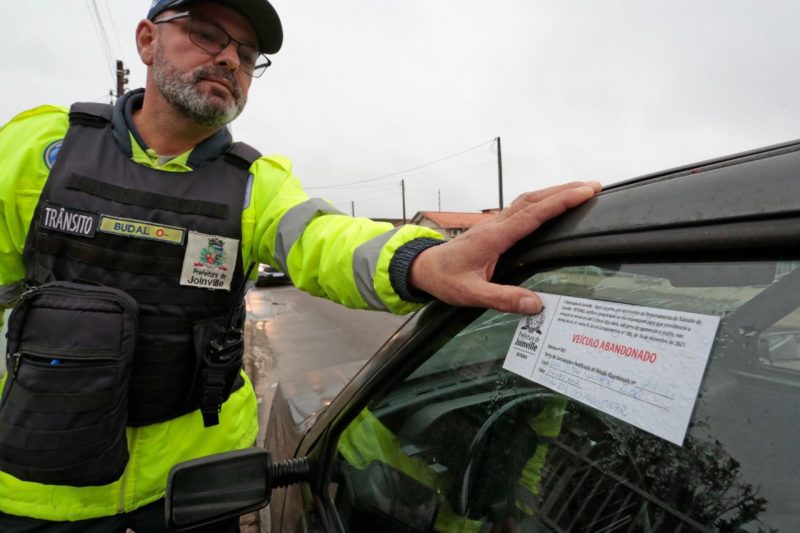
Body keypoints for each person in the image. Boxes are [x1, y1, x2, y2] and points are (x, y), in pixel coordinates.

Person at [0, 0, 600, 530]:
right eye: (206, 34)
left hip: (192, 486)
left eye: (247, 54)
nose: (229, 59)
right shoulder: (38, 149)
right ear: (147, 39)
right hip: (34, 485)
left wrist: (423, 259)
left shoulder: (255, 183)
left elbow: (324, 238)